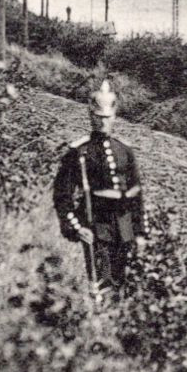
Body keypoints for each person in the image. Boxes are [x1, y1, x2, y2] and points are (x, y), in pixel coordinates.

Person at [53, 80, 148, 294]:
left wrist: (140, 232)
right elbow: (62, 196)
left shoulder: (124, 151)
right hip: (97, 227)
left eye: (108, 117)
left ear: (114, 117)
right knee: (101, 287)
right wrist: (77, 228)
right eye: (99, 117)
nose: (104, 122)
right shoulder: (79, 153)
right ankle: (99, 324)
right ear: (91, 116)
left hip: (125, 230)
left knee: (124, 288)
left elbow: (136, 196)